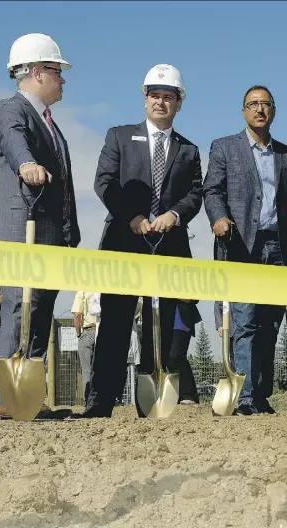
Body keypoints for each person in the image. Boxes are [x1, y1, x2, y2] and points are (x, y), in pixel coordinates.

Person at [77, 64, 203, 419]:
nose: (160, 102)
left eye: (168, 96)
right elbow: (105, 182)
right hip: (124, 241)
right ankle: (100, 400)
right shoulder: (118, 137)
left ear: (179, 103)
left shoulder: (189, 150)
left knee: (160, 325)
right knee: (116, 322)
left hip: (169, 245)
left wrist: (174, 215)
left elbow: (195, 194)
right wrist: (130, 217)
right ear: (144, 98)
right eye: (154, 95)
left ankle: (153, 401)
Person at [0, 33, 80, 420]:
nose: (63, 80)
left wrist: (68, 233)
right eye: (58, 72)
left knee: (40, 309)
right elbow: (13, 141)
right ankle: (3, 397)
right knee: (18, 305)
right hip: (18, 223)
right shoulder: (11, 110)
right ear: (38, 72)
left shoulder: (53, 128)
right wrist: (27, 165)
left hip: (49, 232)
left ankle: (28, 396)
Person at [204, 85, 287, 415]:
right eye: (253, 104)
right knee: (244, 321)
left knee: (270, 324)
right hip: (241, 245)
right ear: (243, 111)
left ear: (273, 111)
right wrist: (219, 218)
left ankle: (261, 394)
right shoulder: (224, 148)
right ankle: (243, 396)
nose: (260, 109)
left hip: (278, 247)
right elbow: (212, 191)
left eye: (265, 104)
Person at [169, 300, 202, 405]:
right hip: (164, 314)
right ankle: (176, 394)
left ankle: (189, 394)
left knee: (176, 355)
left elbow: (193, 298)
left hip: (180, 315)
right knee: (168, 358)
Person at [71, 292, 98, 402]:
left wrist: (78, 334)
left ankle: (88, 401)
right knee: (102, 368)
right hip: (103, 332)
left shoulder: (82, 291)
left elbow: (77, 315)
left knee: (87, 370)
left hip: (88, 332)